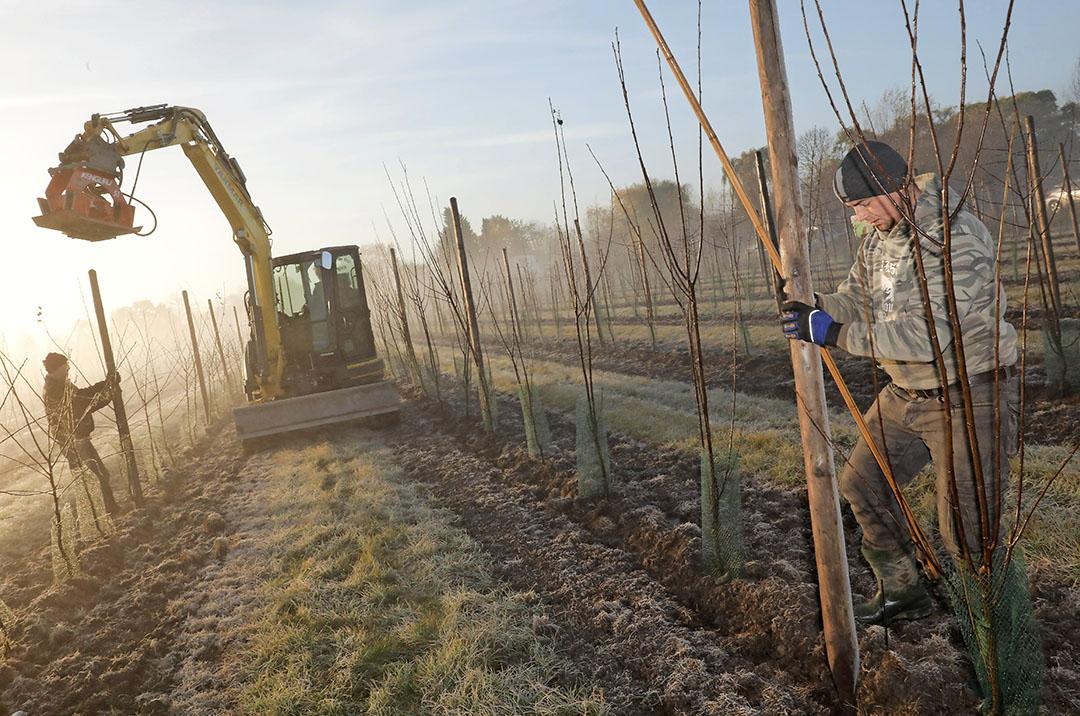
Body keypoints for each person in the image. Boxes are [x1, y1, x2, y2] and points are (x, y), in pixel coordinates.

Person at [779, 141, 1019, 625]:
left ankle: (997, 639)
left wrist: (835, 335)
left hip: (970, 393)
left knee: (967, 530)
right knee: (861, 484)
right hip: (905, 392)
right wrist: (813, 304)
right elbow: (856, 298)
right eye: (853, 209)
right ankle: (902, 592)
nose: (862, 217)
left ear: (895, 187)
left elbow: (929, 335)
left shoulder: (952, 237)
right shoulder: (878, 237)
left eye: (864, 204)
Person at [42, 352, 120, 514]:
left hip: (73, 440)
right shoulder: (57, 389)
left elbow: (82, 395)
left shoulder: (58, 384)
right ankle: (107, 512)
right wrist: (109, 389)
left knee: (93, 476)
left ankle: (104, 512)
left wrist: (105, 384)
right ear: (58, 368)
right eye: (66, 366)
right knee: (97, 476)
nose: (68, 368)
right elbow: (86, 402)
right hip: (74, 442)